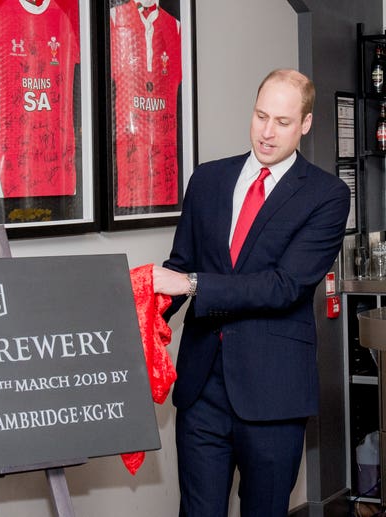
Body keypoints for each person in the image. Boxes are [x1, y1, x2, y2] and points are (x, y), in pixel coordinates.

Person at [152, 69, 350, 517]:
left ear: (305, 124)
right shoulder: (207, 180)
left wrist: (192, 284)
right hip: (202, 386)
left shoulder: (327, 195)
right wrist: (135, 318)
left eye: (282, 121)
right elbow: (180, 267)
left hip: (274, 391)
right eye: (261, 116)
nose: (266, 131)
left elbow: (285, 287)